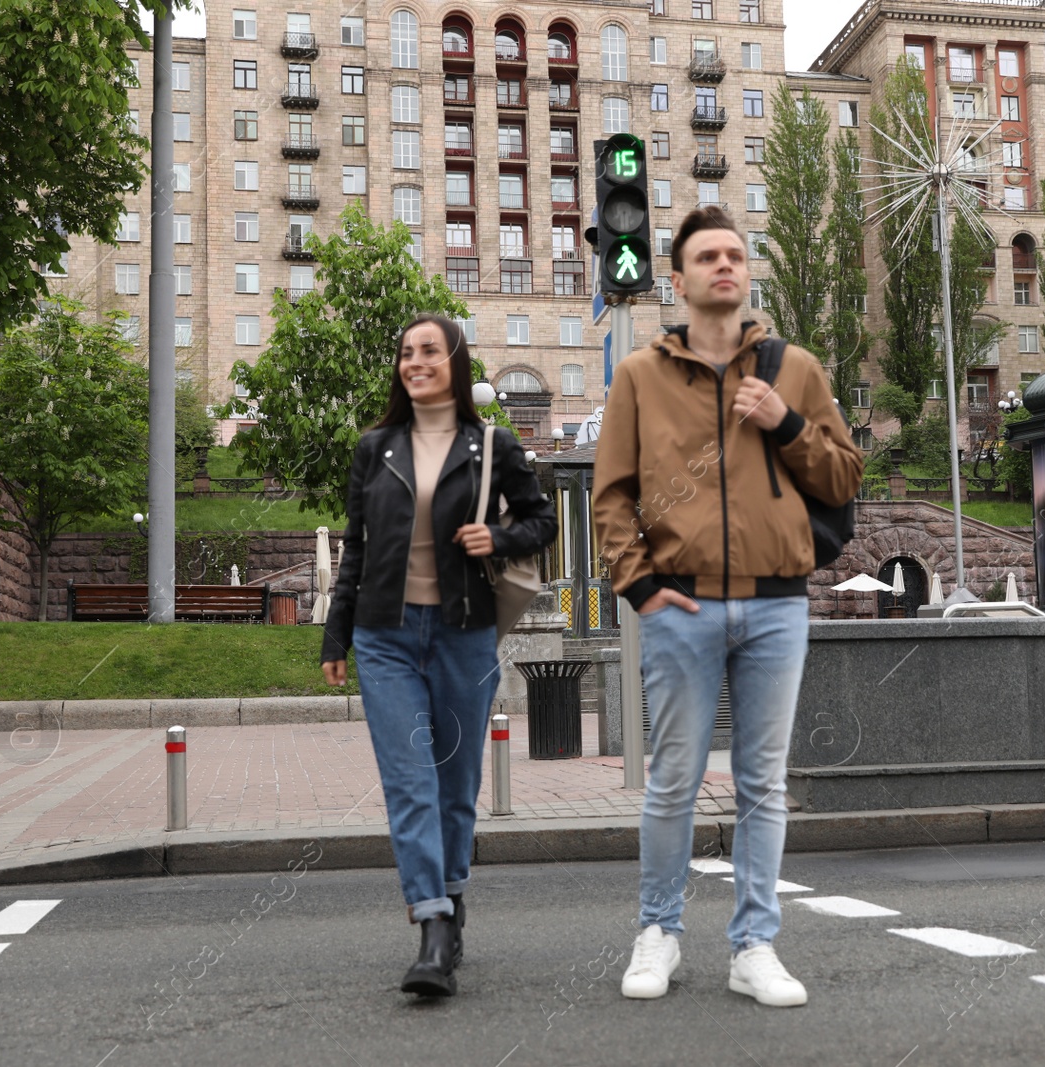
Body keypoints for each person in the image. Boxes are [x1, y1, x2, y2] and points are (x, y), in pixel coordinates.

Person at [592, 206, 863, 1007]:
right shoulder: (640, 375)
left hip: (778, 605)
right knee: (673, 779)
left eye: (735, 254)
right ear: (676, 280)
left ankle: (755, 944)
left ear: (748, 274)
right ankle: (658, 931)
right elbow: (612, 495)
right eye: (706, 256)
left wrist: (785, 426)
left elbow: (844, 478)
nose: (724, 265)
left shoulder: (795, 369)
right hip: (681, 605)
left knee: (763, 784)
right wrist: (640, 586)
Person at [321, 314, 557, 997]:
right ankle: (429, 922)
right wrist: (336, 635)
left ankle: (452, 900)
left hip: (463, 632)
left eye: (428, 350)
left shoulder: (492, 444)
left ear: (454, 361)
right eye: (405, 352)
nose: (414, 361)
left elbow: (540, 519)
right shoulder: (376, 448)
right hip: (385, 637)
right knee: (410, 782)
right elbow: (357, 548)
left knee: (455, 786)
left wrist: (499, 540)